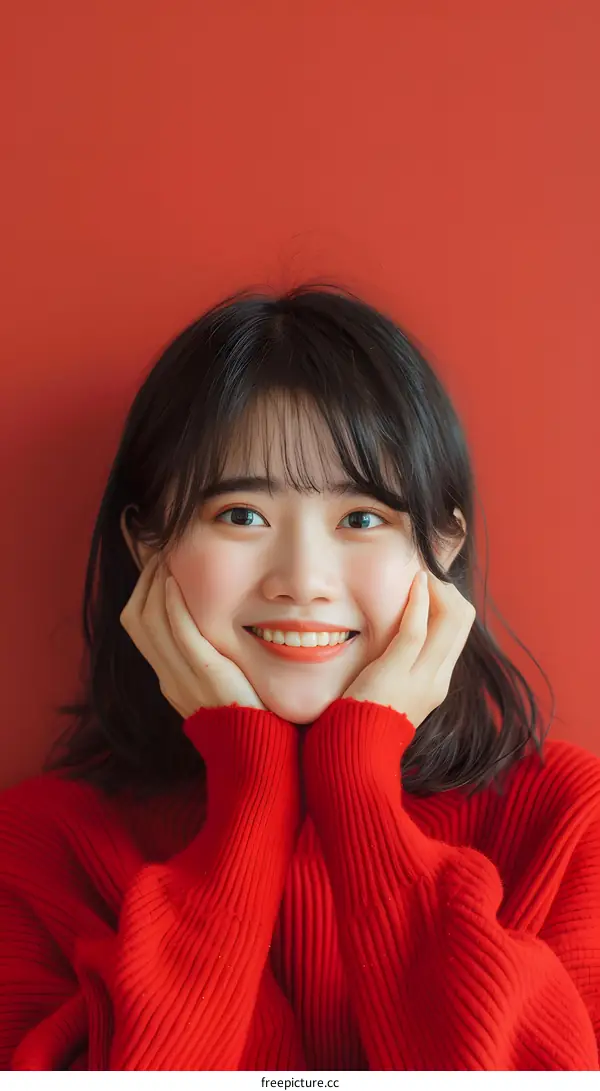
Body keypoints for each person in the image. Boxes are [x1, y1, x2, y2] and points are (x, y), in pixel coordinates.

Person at [1, 282, 599, 1072]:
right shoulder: (42, 846)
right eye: (242, 514)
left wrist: (356, 788)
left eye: (362, 518)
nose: (303, 579)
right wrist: (249, 796)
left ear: (443, 546)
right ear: (148, 544)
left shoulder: (562, 820)